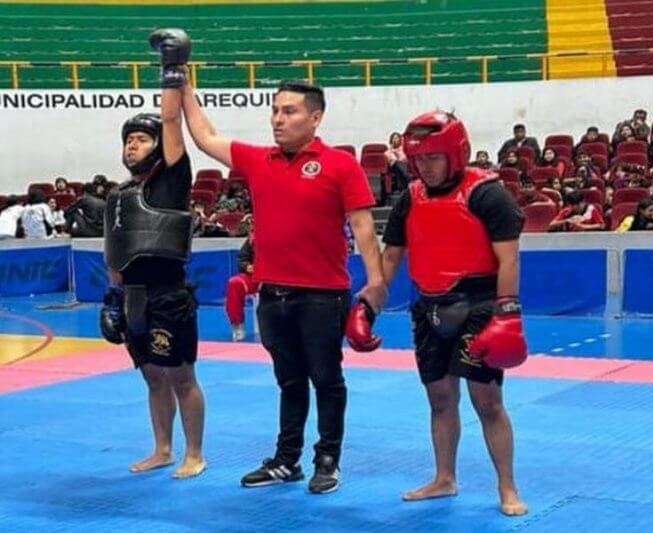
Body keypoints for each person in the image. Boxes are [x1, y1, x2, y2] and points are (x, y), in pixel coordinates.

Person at [168, 28, 387, 493]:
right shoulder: (258, 159)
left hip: (323, 296)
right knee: (289, 381)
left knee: (327, 379)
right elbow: (204, 135)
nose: (277, 119)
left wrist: (376, 284)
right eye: (274, 110)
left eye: (288, 111)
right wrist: (181, 82)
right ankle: (287, 459)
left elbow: (365, 228)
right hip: (272, 294)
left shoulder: (339, 165)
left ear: (315, 117)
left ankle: (327, 458)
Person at [381, 111, 527, 515]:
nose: (424, 167)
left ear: (454, 153)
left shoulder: (487, 193)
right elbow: (391, 254)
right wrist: (369, 301)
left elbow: (509, 260)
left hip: (478, 304)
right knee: (440, 398)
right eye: (418, 159)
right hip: (428, 306)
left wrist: (508, 313)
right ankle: (444, 478)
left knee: (487, 400)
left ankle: (508, 487)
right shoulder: (411, 196)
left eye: (432, 158)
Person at [100, 28, 206, 479]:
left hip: (169, 295)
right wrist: (113, 300)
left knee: (181, 376)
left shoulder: (171, 178)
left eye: (140, 140)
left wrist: (172, 71)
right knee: (151, 376)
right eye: (127, 140)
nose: (132, 145)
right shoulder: (120, 193)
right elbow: (116, 254)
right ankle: (162, 448)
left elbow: (170, 124)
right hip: (134, 298)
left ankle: (194, 453)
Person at [225, 215, 259, 341]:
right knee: (234, 283)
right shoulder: (252, 239)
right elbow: (242, 258)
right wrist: (247, 266)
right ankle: (237, 325)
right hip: (256, 278)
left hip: (277, 278)